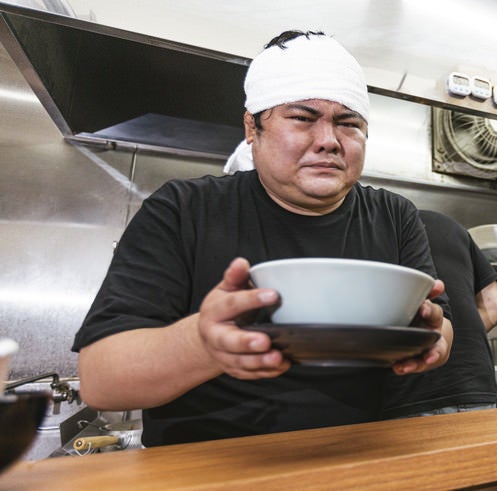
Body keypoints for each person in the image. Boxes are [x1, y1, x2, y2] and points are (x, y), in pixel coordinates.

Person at [72, 30, 453, 447]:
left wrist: (431, 336)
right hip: (208, 468)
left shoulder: (394, 216)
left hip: (357, 459)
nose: (328, 140)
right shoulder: (183, 211)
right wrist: (205, 341)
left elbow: (441, 329)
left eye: (349, 124)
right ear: (252, 127)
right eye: (303, 119)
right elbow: (101, 381)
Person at [381, 210, 497, 418]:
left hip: (411, 388)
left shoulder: (379, 226)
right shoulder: (453, 227)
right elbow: (495, 310)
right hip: (475, 384)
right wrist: (448, 339)